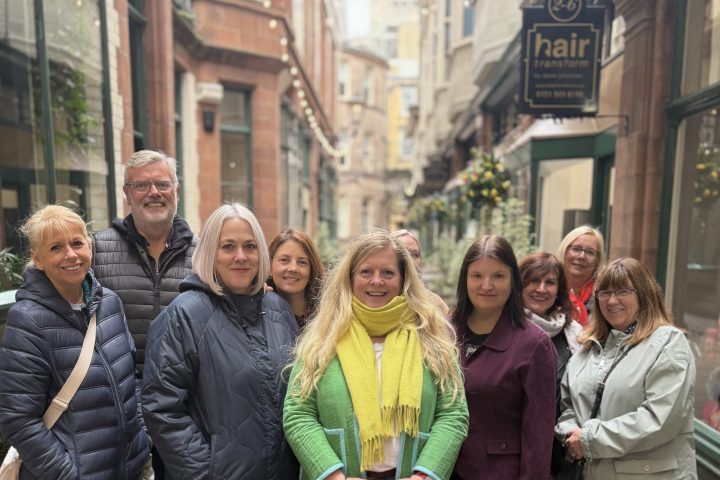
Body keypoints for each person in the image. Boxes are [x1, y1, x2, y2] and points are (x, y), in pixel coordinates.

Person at [283, 230, 468, 480]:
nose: (376, 281)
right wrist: (334, 477)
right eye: (366, 272)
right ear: (350, 278)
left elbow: (453, 414)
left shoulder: (432, 338)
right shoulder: (323, 339)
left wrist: (424, 476)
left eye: (388, 273)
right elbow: (298, 414)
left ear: (403, 279)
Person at [142, 203, 299, 479]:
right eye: (228, 247)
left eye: (250, 246)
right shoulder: (184, 316)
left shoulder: (279, 310)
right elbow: (163, 410)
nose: (241, 256)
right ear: (210, 252)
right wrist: (205, 474)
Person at [0, 205, 149, 479]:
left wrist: (141, 437)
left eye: (77, 243)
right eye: (55, 247)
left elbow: (132, 378)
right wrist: (69, 475)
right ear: (38, 259)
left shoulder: (110, 303)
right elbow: (19, 420)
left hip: (130, 469)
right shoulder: (28, 321)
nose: (70, 254)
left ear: (89, 247)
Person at [93, 150, 195, 478]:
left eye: (162, 184)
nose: (154, 192)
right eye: (142, 185)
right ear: (127, 193)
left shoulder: (205, 256)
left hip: (185, 410)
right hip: (115, 412)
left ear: (176, 191)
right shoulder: (95, 250)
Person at [556, 258, 697, 479]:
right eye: (604, 292)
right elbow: (569, 406)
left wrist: (589, 441)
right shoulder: (588, 348)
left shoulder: (668, 342)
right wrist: (569, 434)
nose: (612, 301)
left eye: (622, 291)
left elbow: (659, 420)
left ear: (644, 294)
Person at [451, 235, 557, 480]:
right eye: (477, 275)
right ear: (464, 279)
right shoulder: (444, 331)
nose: (486, 285)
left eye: (498, 276)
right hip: (440, 470)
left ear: (513, 282)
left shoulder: (533, 344)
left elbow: (538, 435)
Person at [519, 252, 583, 476]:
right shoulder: (503, 328)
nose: (542, 289)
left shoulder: (575, 335)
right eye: (534, 280)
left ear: (559, 290)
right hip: (514, 453)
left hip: (562, 455)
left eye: (550, 282)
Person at [268, 228, 324, 328]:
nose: (293, 268)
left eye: (302, 262)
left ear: (311, 271)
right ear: (270, 268)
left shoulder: (327, 316)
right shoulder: (258, 313)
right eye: (284, 260)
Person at [556, 226, 606, 326]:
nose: (582, 256)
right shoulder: (549, 289)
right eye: (576, 249)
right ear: (564, 250)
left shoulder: (604, 294)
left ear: (598, 260)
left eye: (590, 252)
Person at [392, 229, 449, 316]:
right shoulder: (378, 297)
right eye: (402, 254)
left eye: (415, 255)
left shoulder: (435, 304)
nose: (410, 261)